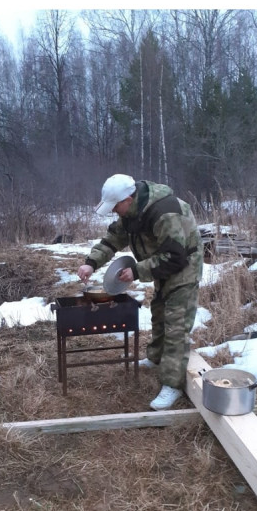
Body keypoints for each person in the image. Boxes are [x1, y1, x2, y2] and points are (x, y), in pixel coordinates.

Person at [78, 174, 203, 410]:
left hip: (184, 268)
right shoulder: (132, 212)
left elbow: (175, 256)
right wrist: (91, 263)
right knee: (159, 313)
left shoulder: (165, 212)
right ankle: (156, 359)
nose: (115, 211)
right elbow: (113, 238)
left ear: (128, 198)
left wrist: (137, 271)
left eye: (116, 206)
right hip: (162, 268)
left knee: (176, 325)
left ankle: (172, 385)